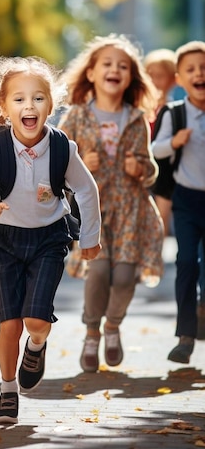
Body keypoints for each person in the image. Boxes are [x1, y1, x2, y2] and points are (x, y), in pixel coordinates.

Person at [0, 56, 101, 425]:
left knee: (36, 322)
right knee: (10, 325)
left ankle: (36, 347)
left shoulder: (62, 148)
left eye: (38, 98)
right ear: (4, 107)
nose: (29, 106)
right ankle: (7, 394)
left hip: (49, 240)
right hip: (6, 241)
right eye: (18, 99)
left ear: (50, 106)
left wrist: (90, 238)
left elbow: (86, 191)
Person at [58, 33, 164, 374]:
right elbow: (54, 164)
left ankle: (113, 326)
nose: (114, 70)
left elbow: (151, 169)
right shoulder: (75, 117)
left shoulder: (136, 118)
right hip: (95, 212)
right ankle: (91, 333)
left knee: (125, 276)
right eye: (107, 63)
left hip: (132, 212)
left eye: (123, 66)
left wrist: (142, 168)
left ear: (131, 77)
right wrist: (78, 164)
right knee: (99, 270)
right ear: (91, 73)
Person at [151, 40, 205, 364]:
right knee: (186, 263)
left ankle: (202, 310)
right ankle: (185, 336)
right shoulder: (175, 113)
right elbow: (156, 149)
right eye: (191, 70)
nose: (199, 73)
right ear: (180, 79)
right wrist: (174, 141)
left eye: (204, 68)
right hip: (186, 199)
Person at [144, 48, 178, 235]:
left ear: (173, 80)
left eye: (160, 76)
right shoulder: (139, 108)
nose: (154, 81)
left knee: (161, 218)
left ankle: (156, 257)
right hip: (141, 167)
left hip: (165, 170)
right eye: (150, 75)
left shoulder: (175, 110)